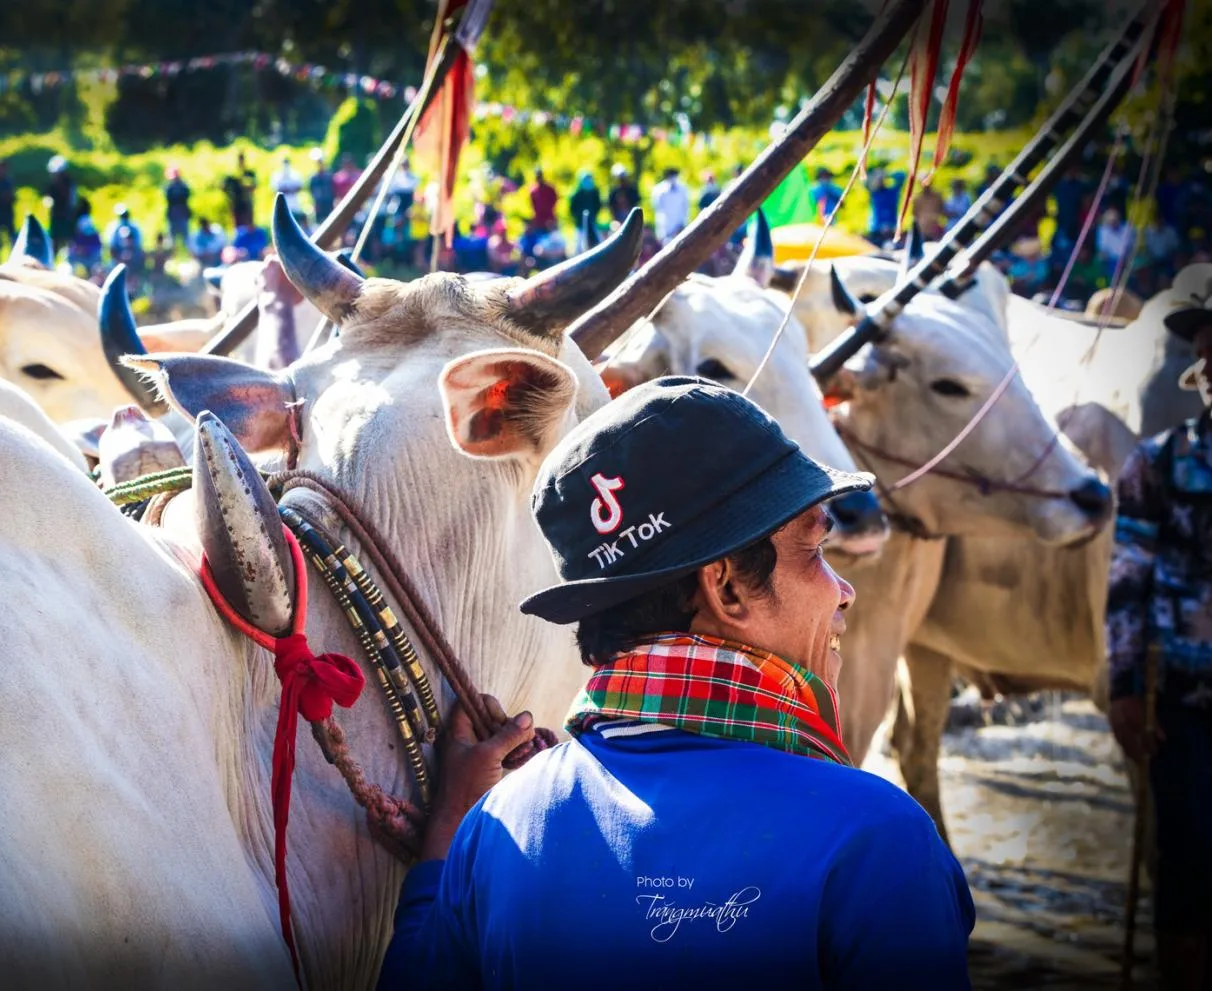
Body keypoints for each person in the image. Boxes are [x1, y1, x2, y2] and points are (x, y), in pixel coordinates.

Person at [378, 379, 974, 989]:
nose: (842, 590)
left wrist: (447, 838)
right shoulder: (876, 841)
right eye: (816, 549)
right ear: (728, 588)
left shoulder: (494, 830)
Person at [1106, 300, 1212, 990]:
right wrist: (1121, 688)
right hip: (1186, 706)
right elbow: (1128, 581)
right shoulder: (1159, 463)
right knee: (1189, 867)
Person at [46, 156, 77, 259]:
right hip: (56, 217)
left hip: (66, 216)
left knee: (69, 242)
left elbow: (72, 201)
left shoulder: (69, 184)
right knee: (54, 241)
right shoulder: (52, 185)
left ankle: (69, 260)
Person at [650, 167, 690, 243]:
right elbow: (657, 208)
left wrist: (683, 224)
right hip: (665, 227)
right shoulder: (659, 190)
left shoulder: (683, 188)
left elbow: (685, 207)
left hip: (680, 225)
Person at [866, 163, 903, 245]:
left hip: (891, 228)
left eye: (881, 179)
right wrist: (877, 176)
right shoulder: (874, 193)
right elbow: (865, 182)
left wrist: (888, 175)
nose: (880, 181)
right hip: (876, 230)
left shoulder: (892, 192)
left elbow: (901, 176)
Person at [1096, 207, 1136, 279]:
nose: (1113, 223)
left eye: (1114, 220)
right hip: (1111, 261)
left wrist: (1126, 259)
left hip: (1127, 259)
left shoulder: (1127, 228)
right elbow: (1102, 249)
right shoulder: (1103, 231)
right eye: (1110, 221)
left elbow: (1131, 246)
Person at [568, 170, 602, 252]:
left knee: (599, 240)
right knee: (579, 243)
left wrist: (593, 215)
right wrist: (578, 217)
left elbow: (598, 205)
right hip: (580, 223)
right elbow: (572, 209)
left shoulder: (594, 192)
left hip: (592, 221)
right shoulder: (577, 194)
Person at [68, 200, 102, 278]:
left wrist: (85, 249)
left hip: (91, 257)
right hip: (80, 258)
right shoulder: (79, 234)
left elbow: (95, 247)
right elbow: (74, 248)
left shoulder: (87, 223)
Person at [107, 204, 146, 273]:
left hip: (133, 254)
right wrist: (120, 257)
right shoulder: (115, 228)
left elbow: (138, 245)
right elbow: (112, 246)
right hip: (119, 254)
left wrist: (130, 254)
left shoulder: (134, 228)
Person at [223, 152, 256, 229]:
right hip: (236, 203)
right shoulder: (231, 175)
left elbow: (254, 186)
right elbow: (223, 187)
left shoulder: (249, 173)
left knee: (249, 225)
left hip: (247, 203)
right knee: (237, 225)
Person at [163, 166, 192, 250]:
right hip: (172, 216)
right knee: (171, 239)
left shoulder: (184, 185)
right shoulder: (168, 186)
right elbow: (169, 198)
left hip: (183, 215)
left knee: (186, 239)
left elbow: (184, 196)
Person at [527, 168, 559, 237]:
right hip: (539, 221)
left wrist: (551, 218)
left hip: (550, 219)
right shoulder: (533, 191)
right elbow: (533, 205)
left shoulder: (550, 189)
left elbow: (555, 202)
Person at [308, 149, 336, 221]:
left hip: (329, 203)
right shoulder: (313, 177)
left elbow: (333, 190)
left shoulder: (329, 176)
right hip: (319, 203)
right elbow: (312, 191)